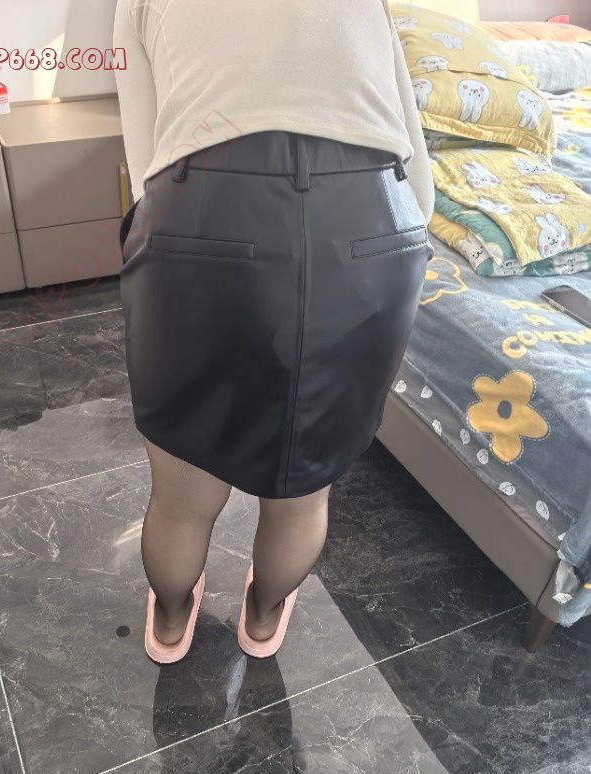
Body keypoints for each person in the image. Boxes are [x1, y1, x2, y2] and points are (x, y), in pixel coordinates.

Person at [114, 0, 435, 663]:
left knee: (181, 496)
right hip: (373, 221)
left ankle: (171, 622)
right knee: (304, 489)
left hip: (204, 211)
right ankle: (261, 620)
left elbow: (146, 153)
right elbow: (413, 157)